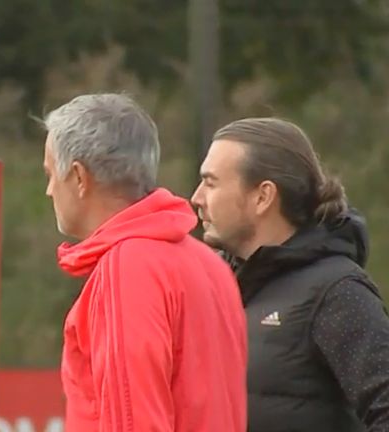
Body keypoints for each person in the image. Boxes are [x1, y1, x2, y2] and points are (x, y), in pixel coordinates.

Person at [41, 93, 247, 431]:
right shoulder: (209, 265)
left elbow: (132, 418)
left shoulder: (128, 267)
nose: (49, 190)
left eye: (51, 174)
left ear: (79, 177)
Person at [191, 117, 389, 431]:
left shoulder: (337, 293)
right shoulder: (213, 287)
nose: (196, 198)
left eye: (211, 182)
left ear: (263, 197)